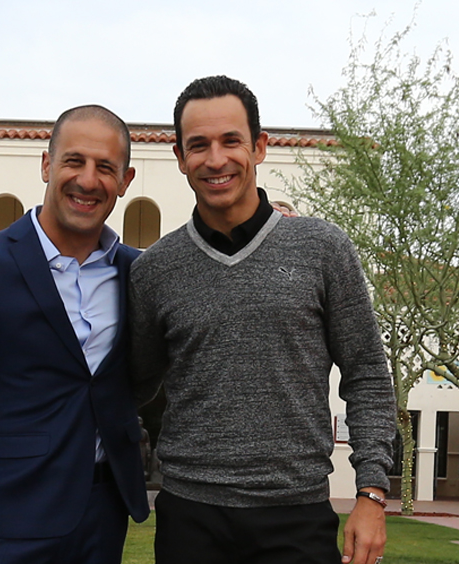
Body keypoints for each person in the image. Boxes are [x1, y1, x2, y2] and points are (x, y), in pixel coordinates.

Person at [129, 75, 397, 564]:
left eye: (231, 141)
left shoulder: (323, 249)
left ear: (259, 147)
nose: (216, 159)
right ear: (180, 157)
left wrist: (372, 492)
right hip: (190, 519)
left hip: (296, 517)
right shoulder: (155, 271)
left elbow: (367, 376)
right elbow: (132, 385)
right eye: (199, 145)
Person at [0, 105, 150, 564]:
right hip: (5, 513)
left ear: (125, 181)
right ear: (46, 165)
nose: (88, 180)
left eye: (105, 168)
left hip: (104, 515)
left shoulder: (139, 273)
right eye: (74, 161)